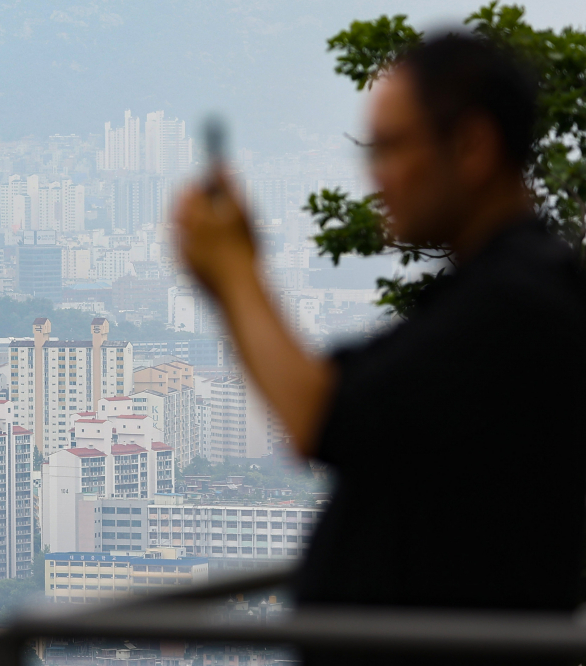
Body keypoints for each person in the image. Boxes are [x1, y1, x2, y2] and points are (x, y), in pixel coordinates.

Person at [175, 32, 586, 615]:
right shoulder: (504, 286)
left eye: (393, 148)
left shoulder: (519, 303)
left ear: (471, 146)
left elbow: (322, 416)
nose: (378, 177)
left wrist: (237, 270)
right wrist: (229, 276)